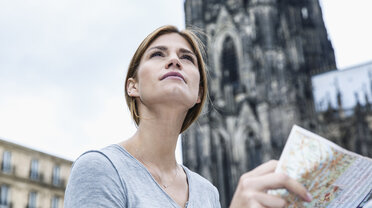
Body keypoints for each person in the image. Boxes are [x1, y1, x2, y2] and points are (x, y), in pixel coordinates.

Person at [64, 25, 312, 208]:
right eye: (158, 54)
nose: (174, 60)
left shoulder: (207, 193)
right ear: (133, 86)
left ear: (199, 93)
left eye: (186, 57)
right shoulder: (101, 168)